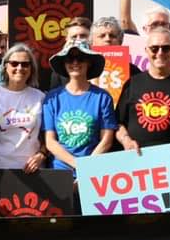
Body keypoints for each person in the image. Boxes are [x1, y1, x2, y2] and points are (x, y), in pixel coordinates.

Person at [115, 23, 170, 174]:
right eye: (154, 48)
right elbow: (118, 123)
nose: (160, 53)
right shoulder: (132, 83)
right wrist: (126, 140)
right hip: (136, 167)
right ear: (146, 51)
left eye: (166, 48)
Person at [42, 41, 117, 169]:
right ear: (64, 63)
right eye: (70, 59)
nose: (75, 63)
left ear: (89, 62)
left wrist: (86, 168)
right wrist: (77, 164)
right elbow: (50, 142)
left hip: (93, 170)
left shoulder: (102, 97)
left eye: (81, 58)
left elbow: (106, 140)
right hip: (61, 172)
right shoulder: (52, 98)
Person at [0, 42, 47, 172]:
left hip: (31, 172)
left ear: (31, 68)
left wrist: (41, 155)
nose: (20, 68)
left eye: (25, 64)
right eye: (14, 63)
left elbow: (49, 135)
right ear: (5, 66)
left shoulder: (40, 97)